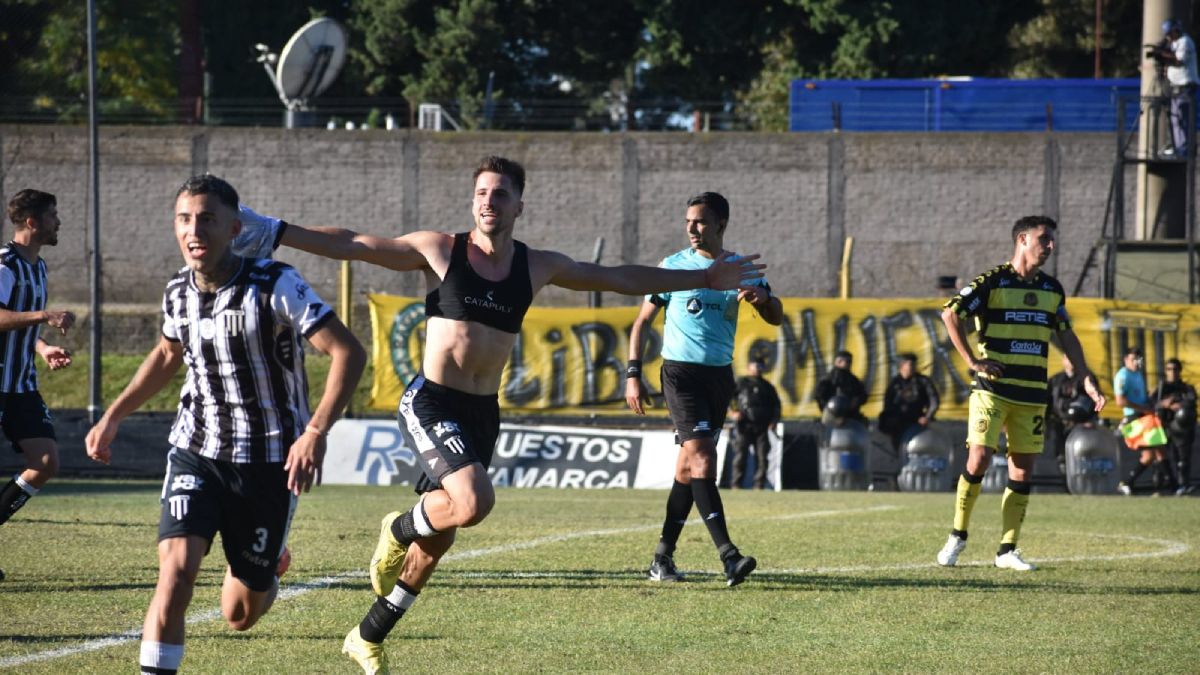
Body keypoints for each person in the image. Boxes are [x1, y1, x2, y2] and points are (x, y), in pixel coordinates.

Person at [235, 158, 766, 673]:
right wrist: (278, 231)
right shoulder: (441, 250)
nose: (490, 201)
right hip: (433, 402)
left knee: (439, 539)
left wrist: (706, 276)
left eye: (501, 193)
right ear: (473, 200)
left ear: (519, 206)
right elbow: (354, 243)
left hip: (482, 413)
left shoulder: (536, 266)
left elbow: (618, 276)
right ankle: (397, 528)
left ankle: (367, 634)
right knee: (472, 501)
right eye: (483, 192)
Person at [83, 175, 366, 675]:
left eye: (208, 219)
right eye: (185, 219)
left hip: (268, 464)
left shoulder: (276, 284)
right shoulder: (177, 292)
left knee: (239, 614)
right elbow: (169, 354)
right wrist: (114, 415)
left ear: (234, 228)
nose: (195, 230)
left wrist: (315, 432)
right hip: (197, 450)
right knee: (175, 573)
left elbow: (347, 351)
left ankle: (269, 566)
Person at [625, 191, 783, 586]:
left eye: (700, 222)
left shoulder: (740, 268)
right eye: (688, 222)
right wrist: (632, 372)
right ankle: (729, 556)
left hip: (719, 378)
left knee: (686, 469)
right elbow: (642, 322)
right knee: (704, 458)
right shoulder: (674, 266)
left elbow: (776, 316)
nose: (692, 229)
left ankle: (662, 558)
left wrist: (763, 298)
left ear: (721, 225)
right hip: (680, 375)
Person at [936, 215, 1104, 572]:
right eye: (1044, 239)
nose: (1050, 246)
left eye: (1052, 241)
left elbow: (1066, 334)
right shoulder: (992, 281)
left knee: (1023, 471)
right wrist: (972, 361)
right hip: (991, 389)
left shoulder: (1052, 289)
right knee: (979, 457)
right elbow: (950, 314)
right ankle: (958, 535)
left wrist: (1086, 377)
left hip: (1031, 394)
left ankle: (1007, 549)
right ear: (1023, 239)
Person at [0, 189, 75, 583]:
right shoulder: (4, 264)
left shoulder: (39, 267)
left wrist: (42, 347)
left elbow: (18, 323)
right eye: (52, 215)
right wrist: (44, 315)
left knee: (45, 463)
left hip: (21, 385)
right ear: (32, 222)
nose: (58, 222)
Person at [1115, 347, 1176, 495]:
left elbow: (1143, 398)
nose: (1136, 362)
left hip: (1146, 417)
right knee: (1153, 452)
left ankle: (1173, 486)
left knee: (1156, 451)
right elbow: (1120, 401)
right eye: (1132, 359)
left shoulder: (1138, 375)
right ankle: (1174, 485)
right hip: (1135, 419)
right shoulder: (1123, 375)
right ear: (1125, 360)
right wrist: (1143, 408)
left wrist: (1156, 403)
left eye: (1138, 359)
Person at [729, 359, 782, 490]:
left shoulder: (768, 386)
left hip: (762, 427)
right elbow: (729, 398)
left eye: (760, 366)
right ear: (748, 367)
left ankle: (759, 485)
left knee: (762, 458)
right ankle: (736, 484)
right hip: (744, 425)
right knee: (740, 456)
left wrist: (774, 421)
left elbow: (776, 405)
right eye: (755, 365)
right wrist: (733, 412)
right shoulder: (741, 382)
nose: (758, 368)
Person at [1151, 19, 1199, 157]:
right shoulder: (1174, 43)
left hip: (1185, 86)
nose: (1168, 37)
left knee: (1182, 118)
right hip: (1176, 87)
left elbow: (1178, 61)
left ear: (1176, 31)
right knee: (1175, 119)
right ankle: (1178, 147)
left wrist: (1162, 55)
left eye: (1169, 33)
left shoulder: (1185, 42)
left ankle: (1184, 149)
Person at [878, 353, 940, 453]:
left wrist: (927, 417)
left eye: (914, 364)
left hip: (918, 420)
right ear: (902, 366)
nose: (913, 367)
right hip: (898, 422)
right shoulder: (895, 383)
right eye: (910, 364)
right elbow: (888, 404)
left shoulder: (922, 381)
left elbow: (934, 401)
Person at [1155, 358, 1196, 495]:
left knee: (1183, 460)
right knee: (1162, 459)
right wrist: (1164, 404)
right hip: (1163, 427)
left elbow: (1191, 400)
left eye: (1175, 369)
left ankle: (1183, 485)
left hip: (1181, 429)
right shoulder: (1160, 388)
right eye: (1169, 369)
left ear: (1180, 371)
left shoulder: (1186, 388)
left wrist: (1177, 403)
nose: (1172, 372)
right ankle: (1161, 487)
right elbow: (1152, 404)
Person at [1046, 354, 1088, 474]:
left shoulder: (1086, 380)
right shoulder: (1055, 380)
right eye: (1069, 358)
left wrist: (1090, 420)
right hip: (1058, 423)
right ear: (1064, 360)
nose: (1071, 362)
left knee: (1079, 453)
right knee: (1060, 451)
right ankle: (1062, 473)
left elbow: (1093, 403)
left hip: (1079, 425)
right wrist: (1046, 421)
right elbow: (1047, 402)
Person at [813, 350, 867, 423]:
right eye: (844, 360)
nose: (847, 363)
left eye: (849, 361)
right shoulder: (827, 380)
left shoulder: (854, 381)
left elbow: (863, 396)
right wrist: (828, 407)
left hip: (850, 417)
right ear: (837, 362)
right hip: (831, 416)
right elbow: (819, 396)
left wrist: (856, 401)